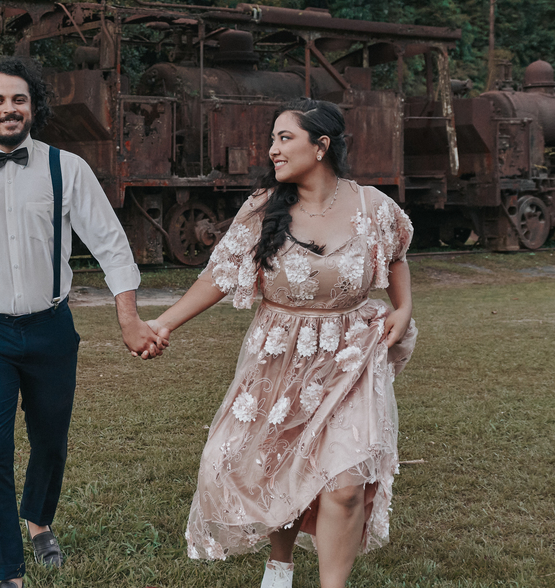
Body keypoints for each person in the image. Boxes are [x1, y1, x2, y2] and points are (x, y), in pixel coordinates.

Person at [0, 56, 166, 588]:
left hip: (51, 329)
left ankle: (40, 521)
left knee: (49, 440)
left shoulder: (67, 169)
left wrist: (128, 318)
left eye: (19, 99)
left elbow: (112, 246)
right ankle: (8, 574)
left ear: (33, 107)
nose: (9, 108)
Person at [146, 97, 417, 588]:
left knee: (346, 484)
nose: (272, 149)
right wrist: (165, 323)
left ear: (321, 146)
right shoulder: (263, 207)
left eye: (284, 138)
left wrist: (403, 307)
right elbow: (219, 275)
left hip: (351, 356)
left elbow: (396, 254)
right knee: (279, 465)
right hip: (280, 356)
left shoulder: (372, 205)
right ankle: (280, 565)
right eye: (272, 139)